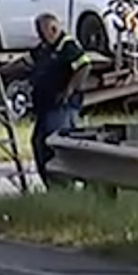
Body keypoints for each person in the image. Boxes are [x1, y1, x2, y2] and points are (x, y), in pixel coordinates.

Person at [26, 13, 91, 189]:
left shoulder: (67, 45)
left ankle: (62, 185)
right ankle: (52, 185)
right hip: (45, 106)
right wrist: (1, 71)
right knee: (38, 143)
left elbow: (84, 65)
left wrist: (69, 90)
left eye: (42, 31)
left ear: (53, 29)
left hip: (62, 106)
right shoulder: (45, 47)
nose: (39, 35)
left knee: (54, 144)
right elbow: (27, 61)